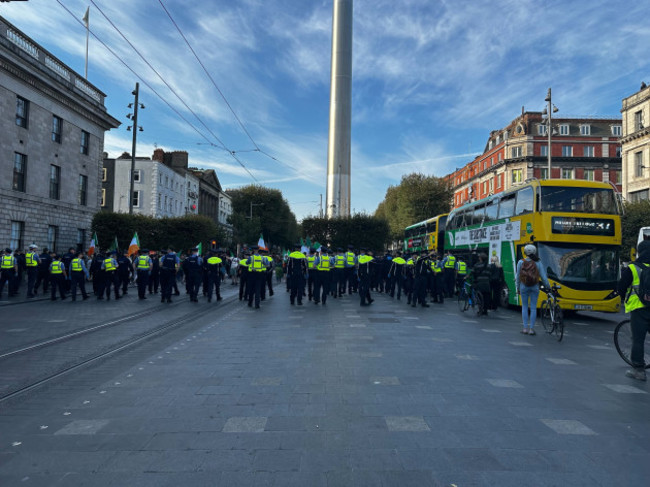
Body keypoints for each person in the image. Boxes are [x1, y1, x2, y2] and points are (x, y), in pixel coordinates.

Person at [617, 239, 650, 381]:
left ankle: (638, 370)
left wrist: (624, 298)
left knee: (638, 339)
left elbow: (621, 288)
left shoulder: (633, 268)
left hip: (639, 308)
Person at [515, 244, 550, 335]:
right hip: (535, 287)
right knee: (533, 308)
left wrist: (517, 287)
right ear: (534, 252)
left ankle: (525, 328)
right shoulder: (538, 262)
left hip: (523, 286)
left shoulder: (520, 262)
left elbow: (518, 277)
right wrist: (548, 287)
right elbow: (543, 277)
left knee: (525, 307)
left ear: (525, 252)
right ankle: (531, 329)